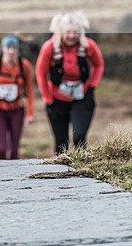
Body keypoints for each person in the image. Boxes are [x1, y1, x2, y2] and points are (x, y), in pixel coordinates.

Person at [35, 11, 104, 155]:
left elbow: (98, 65)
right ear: (60, 31)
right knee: (61, 144)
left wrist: (92, 86)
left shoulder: (88, 45)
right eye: (68, 32)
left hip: (82, 98)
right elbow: (41, 73)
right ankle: (60, 167)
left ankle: (83, 165)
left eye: (75, 32)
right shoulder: (49, 47)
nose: (72, 36)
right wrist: (48, 99)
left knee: (79, 137)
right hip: (57, 99)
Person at [0, 35, 35, 159]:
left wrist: (30, 114)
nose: (11, 51)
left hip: (17, 111)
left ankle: (15, 171)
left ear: (17, 49)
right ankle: (0, 170)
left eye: (14, 48)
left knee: (14, 149)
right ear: (3, 48)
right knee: (2, 148)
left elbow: (30, 91)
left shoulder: (24, 65)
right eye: (8, 47)